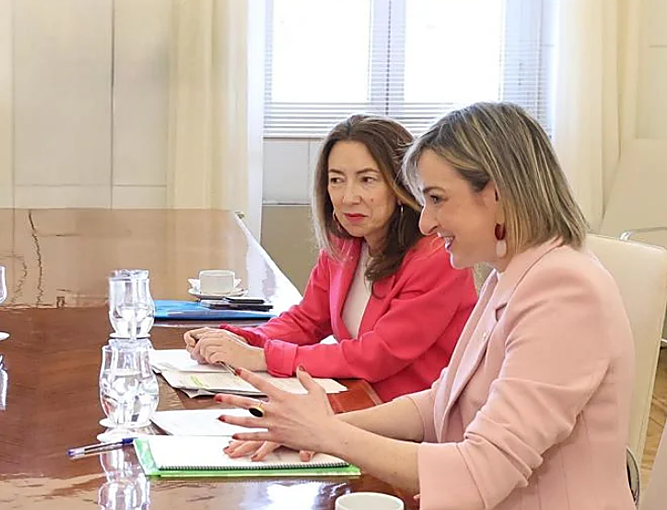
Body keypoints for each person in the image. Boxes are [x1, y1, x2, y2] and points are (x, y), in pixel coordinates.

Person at [218, 102, 667, 510]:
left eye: (437, 199)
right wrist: (319, 429)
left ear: (497, 193)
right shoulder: (519, 273)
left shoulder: (563, 293)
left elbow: (481, 472)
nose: (425, 222)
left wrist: (330, 437)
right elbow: (441, 401)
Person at [185, 114, 477, 402]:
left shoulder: (438, 257)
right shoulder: (344, 243)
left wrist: (262, 356)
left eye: (367, 180)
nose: (348, 197)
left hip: (414, 425)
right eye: (336, 180)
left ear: (400, 185)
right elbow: (308, 320)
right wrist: (238, 339)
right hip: (356, 401)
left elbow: (375, 356)